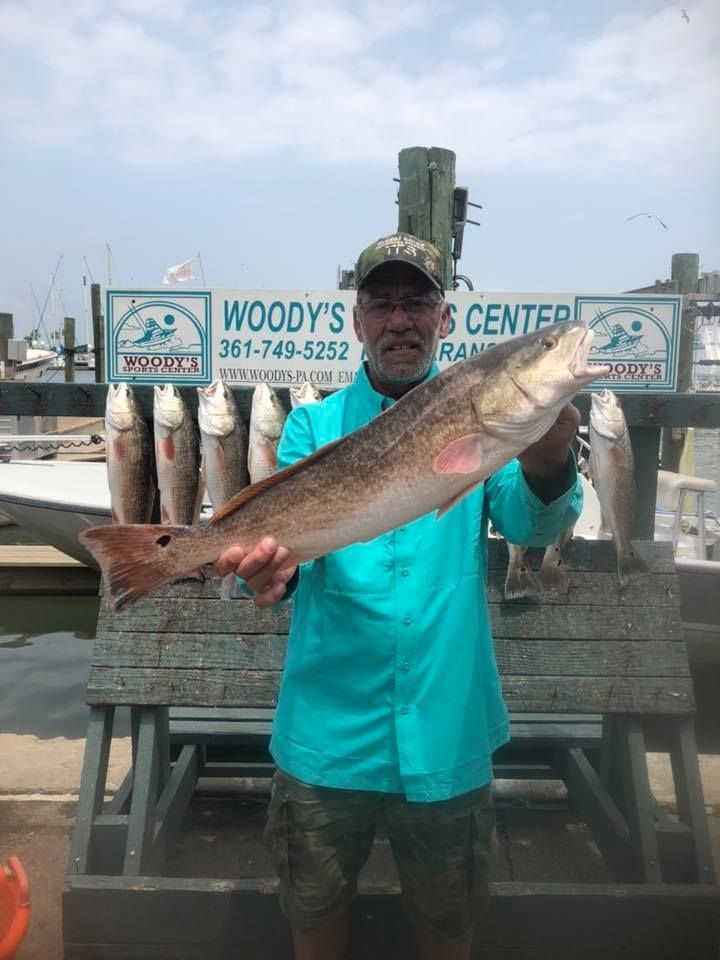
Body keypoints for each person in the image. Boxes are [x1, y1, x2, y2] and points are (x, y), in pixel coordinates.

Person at [216, 233, 583, 960]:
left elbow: (529, 519)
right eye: (381, 304)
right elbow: (283, 563)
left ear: (444, 320)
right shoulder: (312, 427)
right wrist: (265, 572)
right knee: (314, 916)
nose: (400, 320)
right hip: (328, 732)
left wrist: (548, 457)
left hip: (446, 726)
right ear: (358, 322)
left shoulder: (488, 420)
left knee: (449, 926)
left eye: (417, 302)